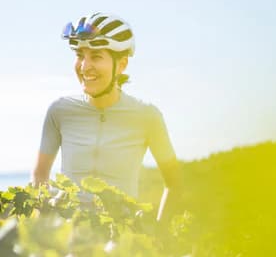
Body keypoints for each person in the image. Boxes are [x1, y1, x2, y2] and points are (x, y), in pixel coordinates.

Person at [32, 12, 183, 219]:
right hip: (67, 234)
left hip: (121, 235)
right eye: (79, 56)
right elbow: (40, 175)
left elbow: (174, 183)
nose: (85, 66)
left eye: (96, 56)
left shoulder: (148, 116)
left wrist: (160, 233)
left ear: (121, 65)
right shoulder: (59, 111)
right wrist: (44, 231)